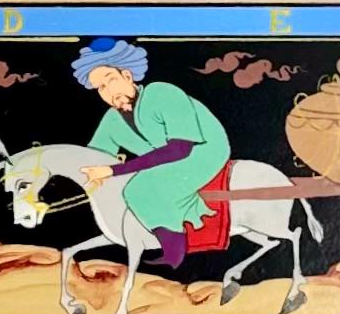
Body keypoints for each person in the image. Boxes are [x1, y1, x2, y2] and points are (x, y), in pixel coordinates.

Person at [72, 38, 231, 268]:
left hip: (203, 151)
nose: (108, 91)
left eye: (111, 80)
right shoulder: (112, 120)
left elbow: (179, 149)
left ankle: (175, 251)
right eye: (101, 88)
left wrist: (115, 169)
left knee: (139, 188)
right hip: (162, 163)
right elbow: (94, 158)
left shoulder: (161, 93)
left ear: (127, 76)